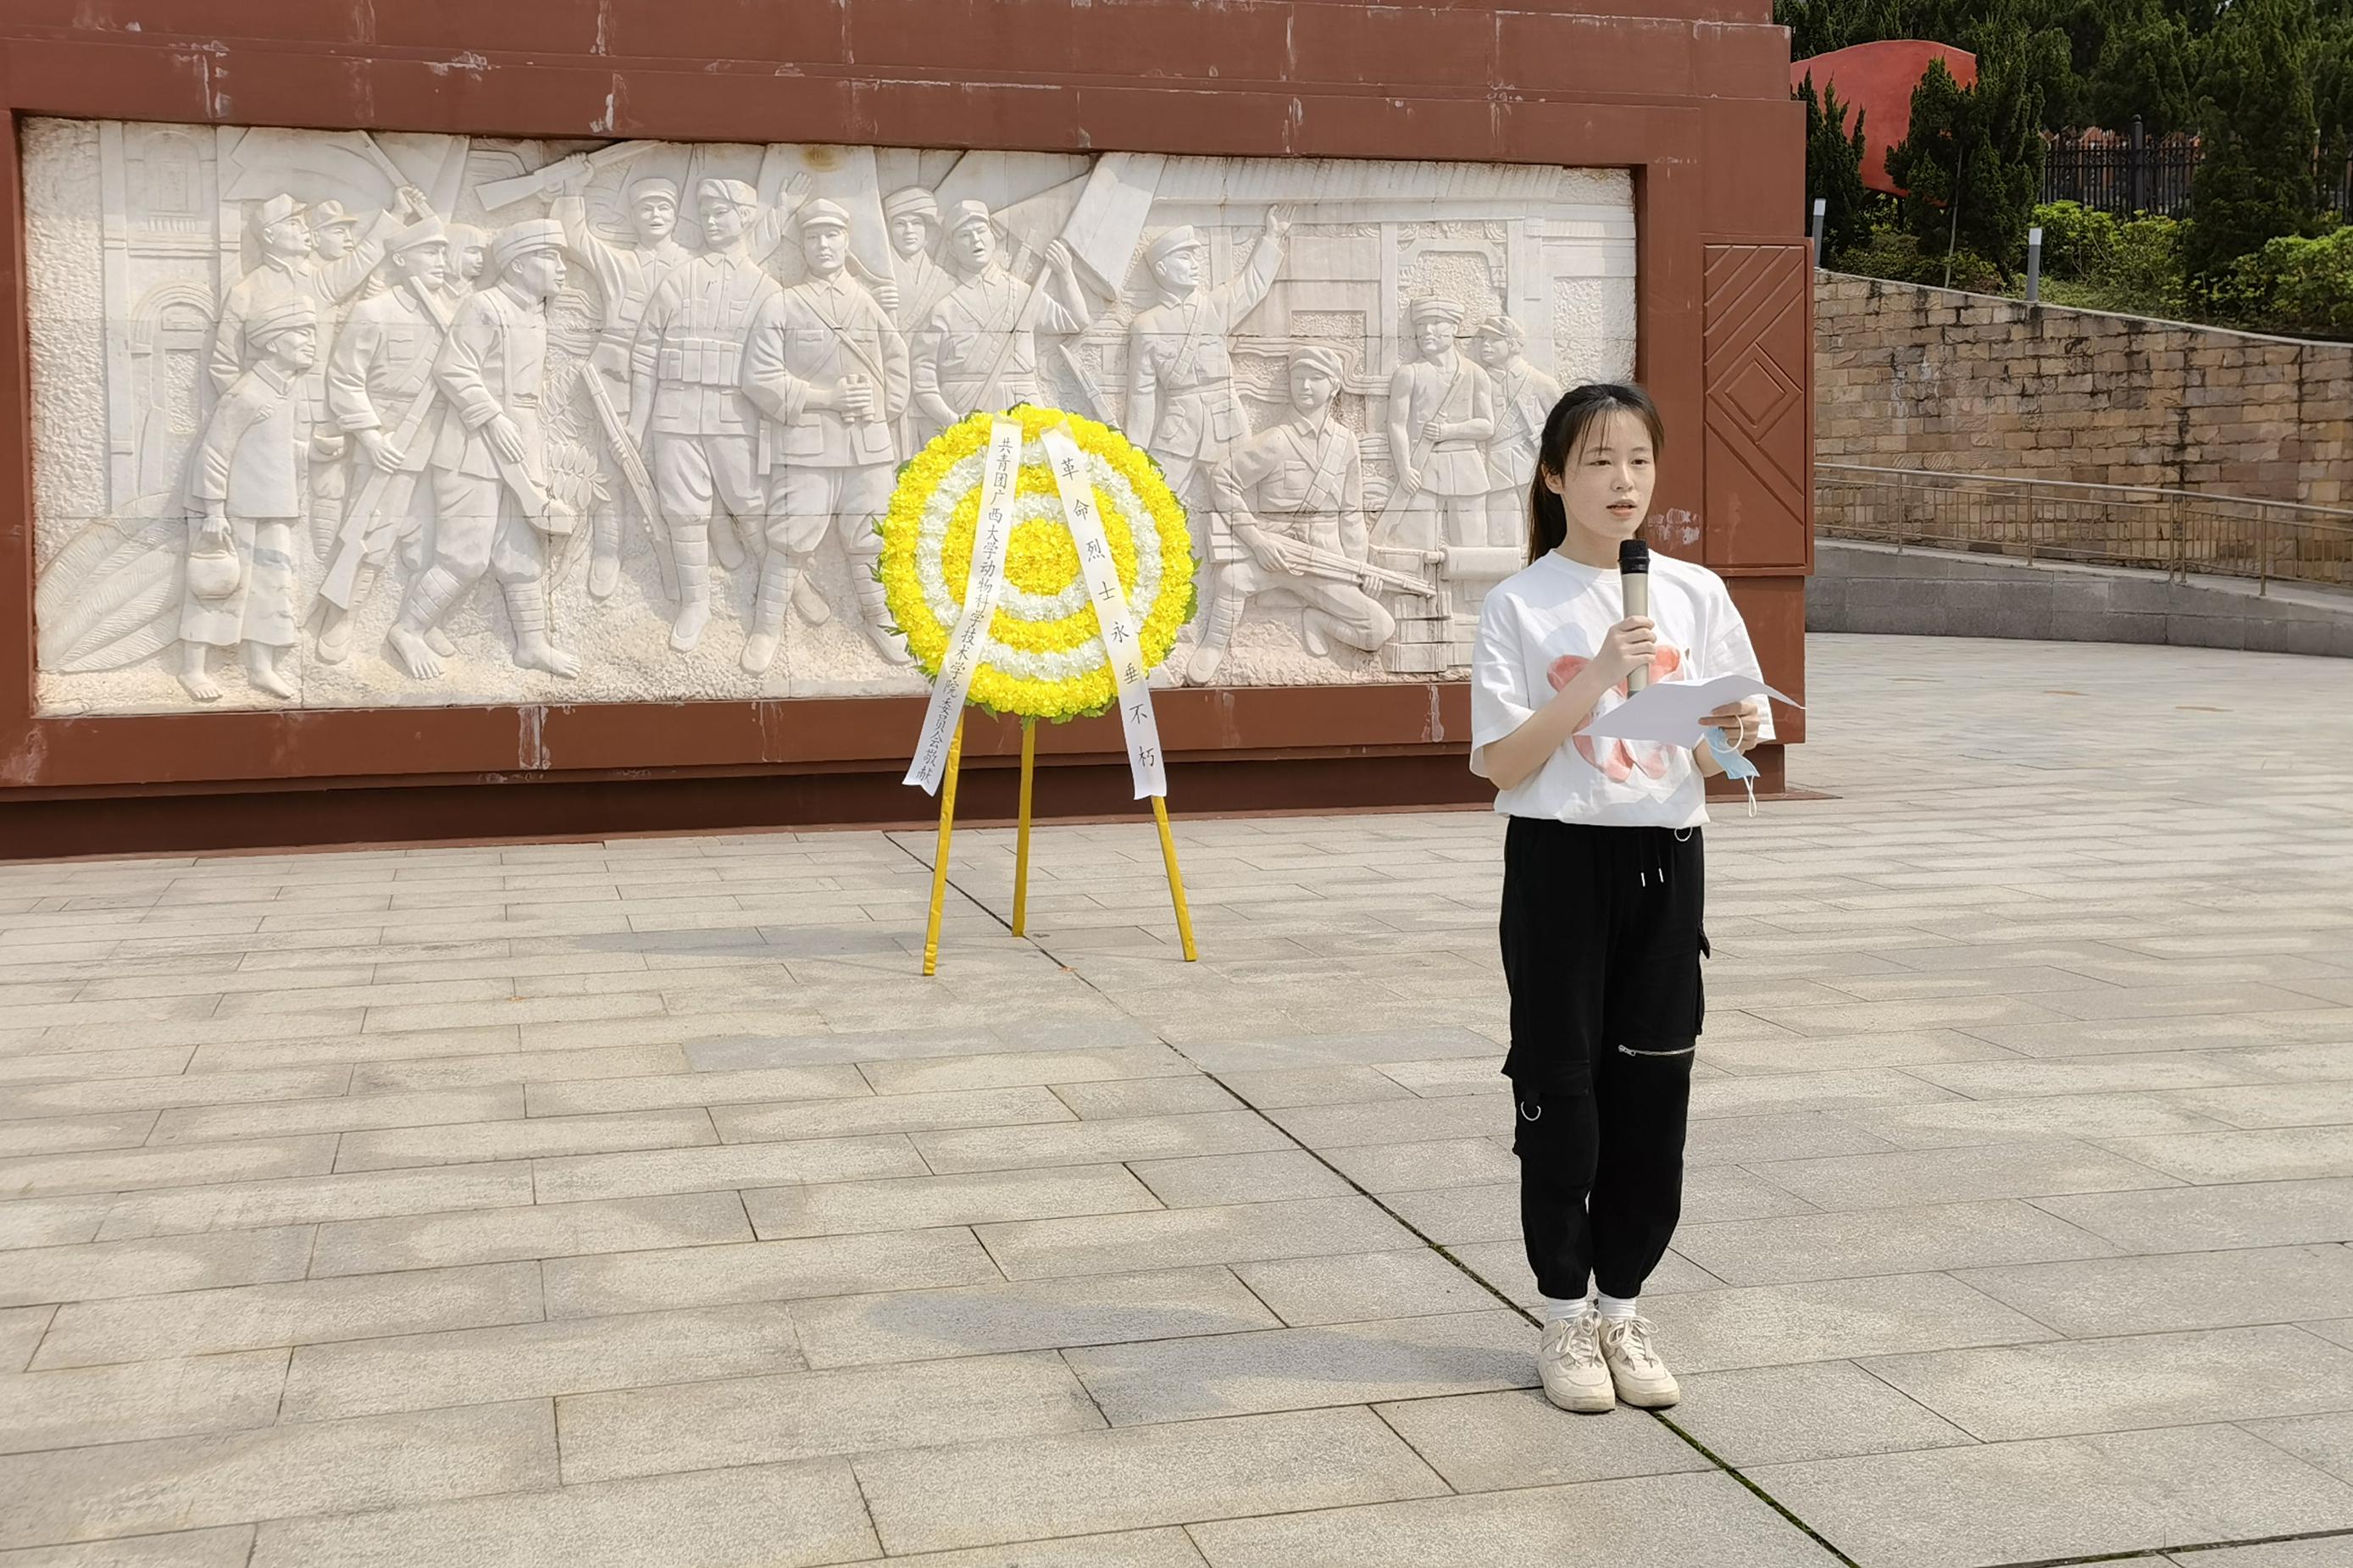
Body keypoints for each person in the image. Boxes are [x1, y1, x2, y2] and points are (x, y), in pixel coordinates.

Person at [1467, 382, 1771, 1416]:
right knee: (1560, 1090)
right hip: (1557, 863)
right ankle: (1563, 1315)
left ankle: (1623, 1309)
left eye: (1637, 459)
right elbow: (1501, 763)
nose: (1622, 482)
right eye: (1598, 461)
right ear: (1555, 477)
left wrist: (1735, 733)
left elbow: (1722, 757)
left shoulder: (1695, 593)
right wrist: (1597, 671)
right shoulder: (1519, 604)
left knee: (1653, 1093)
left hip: (1666, 858)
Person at [386, 219, 580, 681]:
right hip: (471, 447)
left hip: (522, 442)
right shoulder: (484, 306)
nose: (561, 267)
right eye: (549, 256)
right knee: (465, 555)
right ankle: (407, 630)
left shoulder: (536, 314)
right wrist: (493, 417)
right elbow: (453, 368)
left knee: (522, 552)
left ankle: (531, 645)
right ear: (517, 266)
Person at [739, 198, 911, 673]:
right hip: (807, 448)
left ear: (845, 240)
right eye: (813, 237)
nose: (823, 245)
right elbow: (758, 377)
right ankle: (766, 628)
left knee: (871, 538)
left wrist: (881, 408)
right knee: (790, 539)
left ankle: (881, 620)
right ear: (802, 245)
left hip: (867, 446)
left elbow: (897, 359)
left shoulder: (867, 303)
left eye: (832, 235)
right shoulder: (782, 304)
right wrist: (824, 398)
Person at [1192, 343, 1396, 683]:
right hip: (1276, 554)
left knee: (1380, 628)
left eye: (1315, 378)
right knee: (1230, 580)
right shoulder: (1276, 440)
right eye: (1298, 377)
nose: (1304, 386)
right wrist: (1257, 542)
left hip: (1324, 561)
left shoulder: (1345, 443)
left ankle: (1318, 621)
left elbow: (1351, 514)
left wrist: (1358, 570)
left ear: (1334, 385)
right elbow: (1223, 480)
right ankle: (1213, 645)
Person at [178, 296, 341, 702]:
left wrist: (313, 453)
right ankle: (192, 669)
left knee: (272, 588)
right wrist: (214, 512)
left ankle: (261, 667)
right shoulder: (247, 393)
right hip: (234, 512)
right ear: (271, 343)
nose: (310, 341)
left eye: (312, 333)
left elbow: (274, 452)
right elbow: (214, 452)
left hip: (273, 506)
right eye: (300, 334)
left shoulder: (286, 391)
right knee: (217, 586)